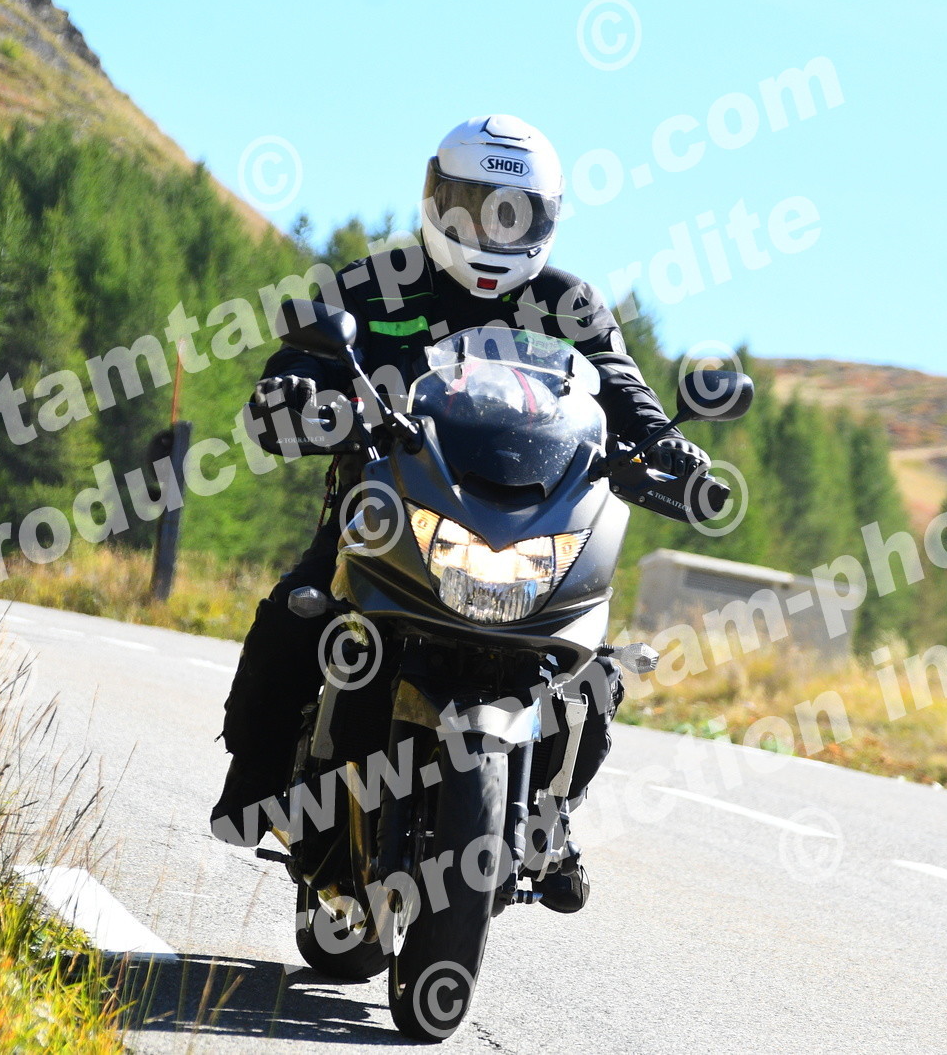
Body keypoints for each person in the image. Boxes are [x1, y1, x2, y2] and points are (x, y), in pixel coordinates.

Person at [210, 115, 707, 912]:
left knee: (589, 672)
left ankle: (549, 817)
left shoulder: (568, 302)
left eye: (512, 212)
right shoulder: (377, 284)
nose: (491, 228)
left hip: (528, 525)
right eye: (474, 206)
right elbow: (303, 358)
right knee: (298, 616)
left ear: (545, 218)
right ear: (436, 198)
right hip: (390, 511)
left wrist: (667, 445)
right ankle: (259, 781)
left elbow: (621, 385)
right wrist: (293, 391)